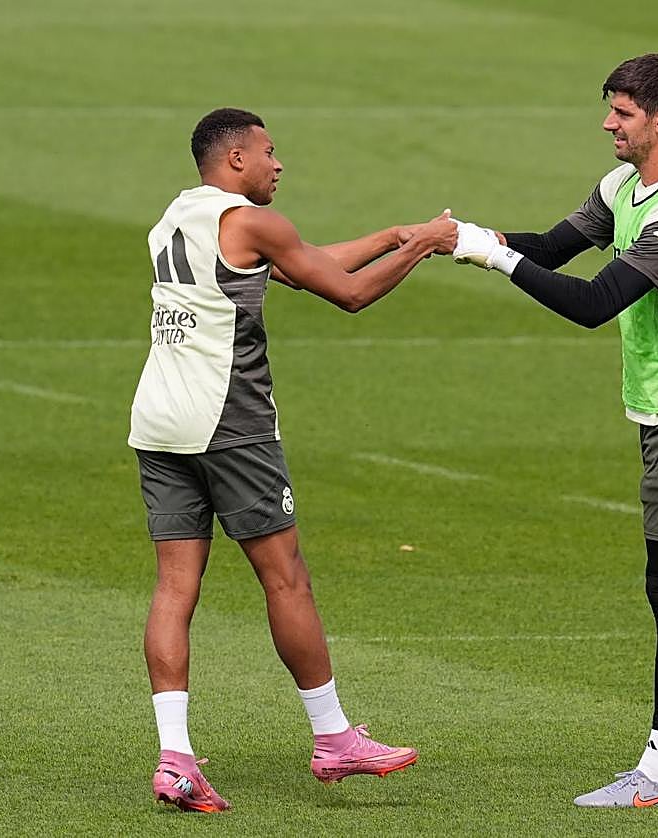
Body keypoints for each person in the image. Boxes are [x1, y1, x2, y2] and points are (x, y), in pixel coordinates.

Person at [450, 54, 658, 808]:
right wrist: (468, 235)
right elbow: (550, 247)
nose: (608, 122)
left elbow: (595, 301)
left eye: (623, 112)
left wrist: (491, 257)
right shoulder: (622, 187)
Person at [128, 107, 457, 813]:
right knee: (286, 579)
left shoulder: (178, 215)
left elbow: (302, 265)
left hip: (158, 422)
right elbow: (348, 292)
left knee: (174, 588)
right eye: (270, 153)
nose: (279, 165)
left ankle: (175, 758)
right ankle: (334, 737)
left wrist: (393, 234)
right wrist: (426, 244)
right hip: (231, 424)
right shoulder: (253, 221)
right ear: (237, 159)